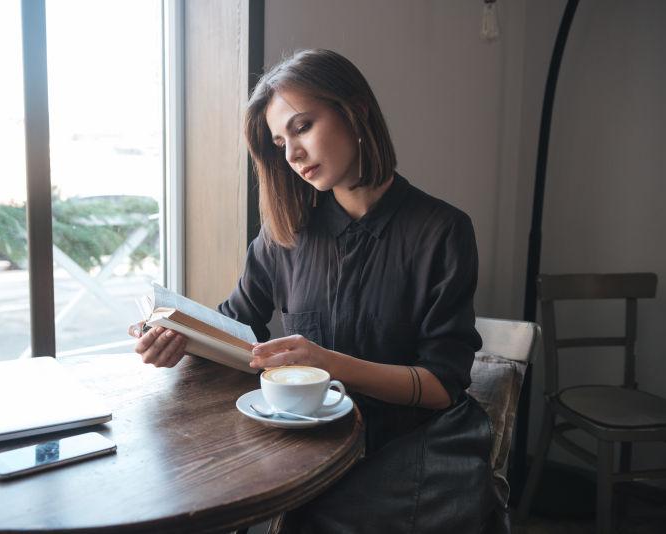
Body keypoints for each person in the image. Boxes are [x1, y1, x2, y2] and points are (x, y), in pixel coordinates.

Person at [129, 49, 502, 533]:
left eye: (302, 127)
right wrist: (180, 340)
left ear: (356, 111)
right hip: (308, 444)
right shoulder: (286, 233)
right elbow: (239, 327)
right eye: (280, 142)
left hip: (411, 450)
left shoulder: (442, 231)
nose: (292, 154)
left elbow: (441, 386)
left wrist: (329, 363)